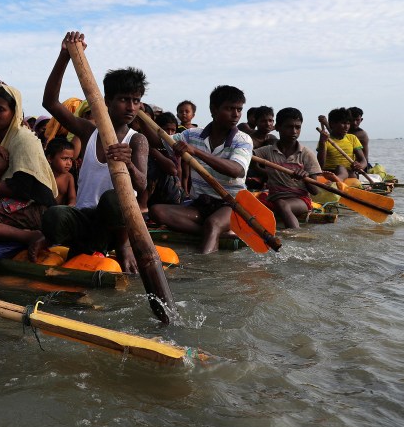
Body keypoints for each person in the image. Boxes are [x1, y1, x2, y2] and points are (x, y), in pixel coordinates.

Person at [39, 32, 147, 272]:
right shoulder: (89, 132)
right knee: (54, 216)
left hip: (118, 226)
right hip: (87, 220)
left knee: (113, 198)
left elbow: (141, 185)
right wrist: (64, 56)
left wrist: (128, 163)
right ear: (106, 100)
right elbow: (50, 102)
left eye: (136, 100)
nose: (131, 107)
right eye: (124, 99)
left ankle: (122, 248)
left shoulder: (136, 140)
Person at [149, 85, 253, 254]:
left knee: (213, 224)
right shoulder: (192, 135)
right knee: (157, 211)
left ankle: (206, 270)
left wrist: (196, 152)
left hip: (232, 204)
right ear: (214, 109)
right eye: (229, 109)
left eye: (239, 109)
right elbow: (156, 141)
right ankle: (219, 233)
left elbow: (236, 170)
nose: (236, 115)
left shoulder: (243, 139)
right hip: (201, 204)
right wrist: (141, 118)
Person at [0, 84, 58, 260]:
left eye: (1, 109)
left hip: (33, 207)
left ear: (14, 111)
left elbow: (21, 190)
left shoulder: (23, 139)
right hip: (4, 201)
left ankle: (30, 236)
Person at [254, 108, 328, 229]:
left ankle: (296, 235)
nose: (294, 131)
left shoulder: (306, 154)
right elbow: (248, 160)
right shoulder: (266, 151)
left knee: (282, 204)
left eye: (297, 127)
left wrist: (305, 177)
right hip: (274, 198)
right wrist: (265, 172)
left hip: (300, 201)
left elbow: (315, 191)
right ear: (277, 127)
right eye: (289, 127)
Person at [317, 108, 366, 180]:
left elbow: (363, 161)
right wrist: (322, 143)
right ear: (332, 124)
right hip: (330, 172)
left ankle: (338, 180)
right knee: (340, 168)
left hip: (350, 173)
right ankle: (336, 179)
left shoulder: (352, 138)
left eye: (348, 123)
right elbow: (320, 165)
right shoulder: (325, 140)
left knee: (344, 170)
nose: (346, 127)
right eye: (343, 123)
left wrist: (360, 166)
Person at [45, 137, 76, 206]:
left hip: (58, 213)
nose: (69, 163)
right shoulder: (44, 175)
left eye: (70, 159)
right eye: (64, 159)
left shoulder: (68, 177)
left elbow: (72, 198)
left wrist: (71, 205)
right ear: (50, 158)